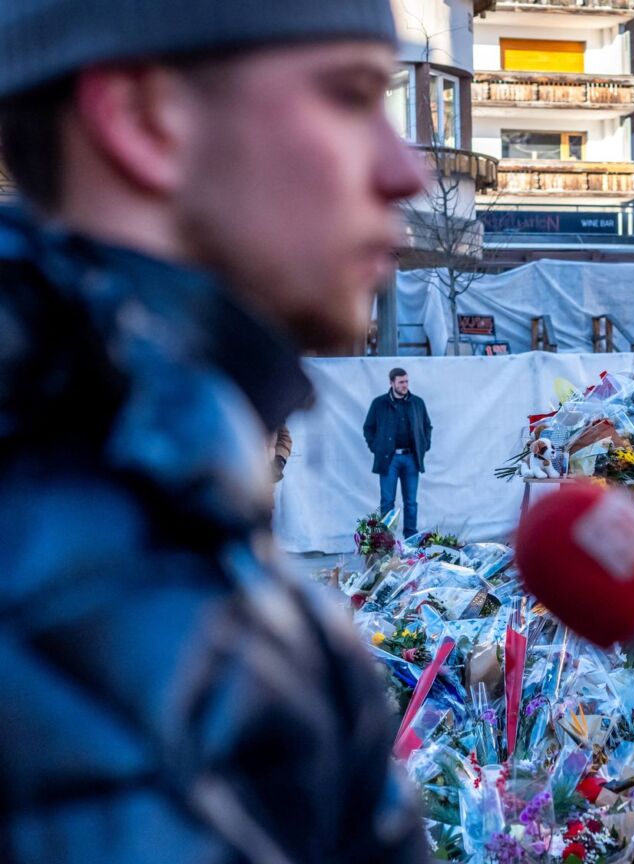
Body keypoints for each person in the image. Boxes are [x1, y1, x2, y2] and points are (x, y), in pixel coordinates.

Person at [0, 1, 429, 861]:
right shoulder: (116, 584)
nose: (405, 169)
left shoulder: (187, 526)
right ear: (144, 120)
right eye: (349, 96)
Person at [364, 367, 432, 538]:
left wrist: (424, 446)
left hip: (411, 458)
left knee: (411, 502)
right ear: (392, 383)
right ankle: (386, 541)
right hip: (389, 460)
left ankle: (411, 539)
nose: (405, 385)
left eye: (406, 381)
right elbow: (368, 428)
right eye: (401, 382)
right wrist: (376, 447)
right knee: (387, 502)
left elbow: (427, 426)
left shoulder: (417, 402)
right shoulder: (379, 403)